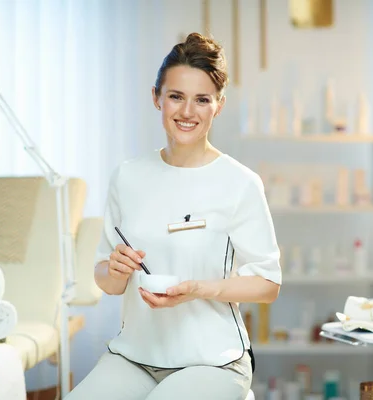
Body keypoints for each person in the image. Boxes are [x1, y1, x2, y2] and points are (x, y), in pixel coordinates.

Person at [67, 32, 281, 400]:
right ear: (157, 98)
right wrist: (114, 269)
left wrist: (200, 289)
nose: (187, 112)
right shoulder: (128, 176)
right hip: (134, 357)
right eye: (176, 97)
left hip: (213, 361)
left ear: (219, 105)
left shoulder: (240, 183)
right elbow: (108, 281)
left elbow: (267, 284)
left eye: (202, 100)